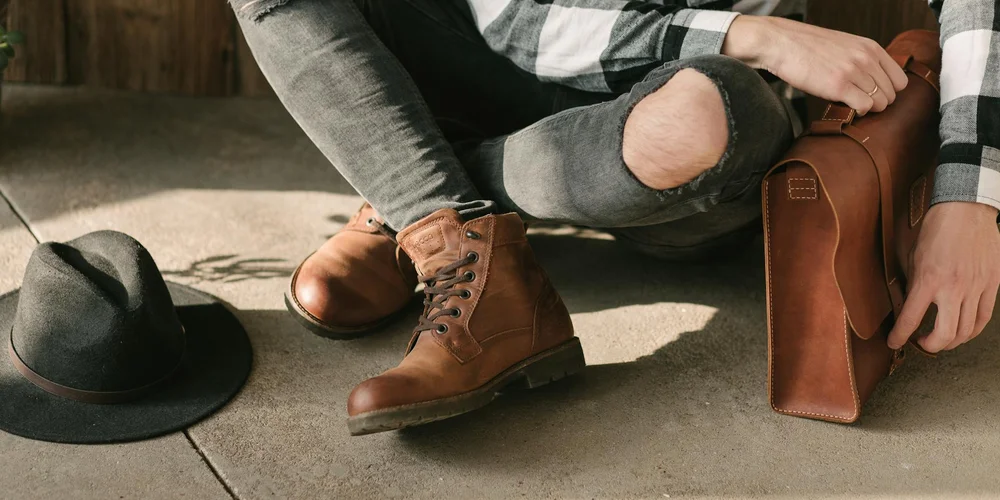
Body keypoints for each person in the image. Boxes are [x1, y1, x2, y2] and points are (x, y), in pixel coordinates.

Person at [231, 0, 1000, 435]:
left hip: (702, 113)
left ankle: (410, 184)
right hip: (501, 58)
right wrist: (753, 32)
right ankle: (458, 246)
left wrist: (967, 197)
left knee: (698, 118)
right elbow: (515, 21)